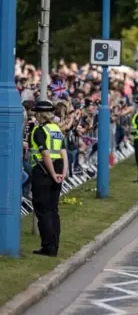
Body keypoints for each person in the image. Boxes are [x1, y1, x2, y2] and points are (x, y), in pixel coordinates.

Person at [30, 100, 68, 257]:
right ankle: (55, 245)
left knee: (43, 210)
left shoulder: (39, 130)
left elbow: (45, 154)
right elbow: (63, 152)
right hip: (58, 169)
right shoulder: (57, 130)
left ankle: (48, 247)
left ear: (40, 114)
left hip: (43, 171)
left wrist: (52, 173)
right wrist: (63, 173)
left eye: (36, 113)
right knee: (53, 210)